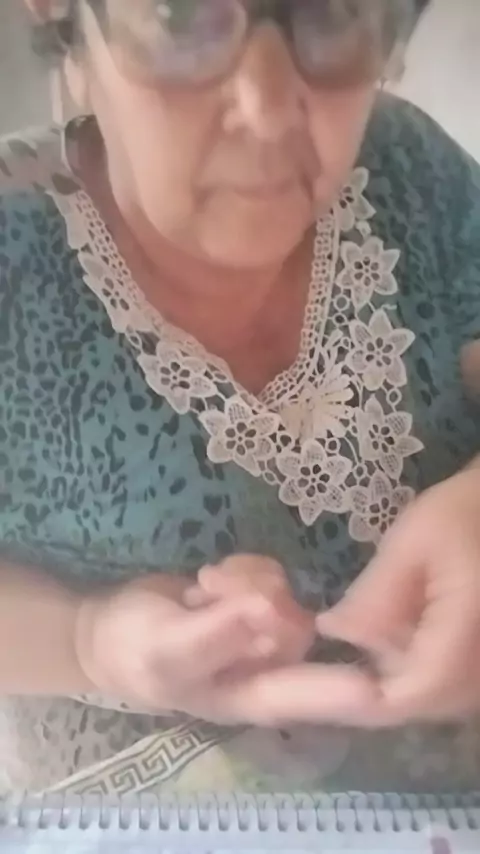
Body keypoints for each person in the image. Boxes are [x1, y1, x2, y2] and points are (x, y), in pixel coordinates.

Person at [1, 0, 480, 794]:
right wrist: (89, 640)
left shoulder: (412, 171)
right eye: (181, 16)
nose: (266, 110)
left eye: (333, 11)